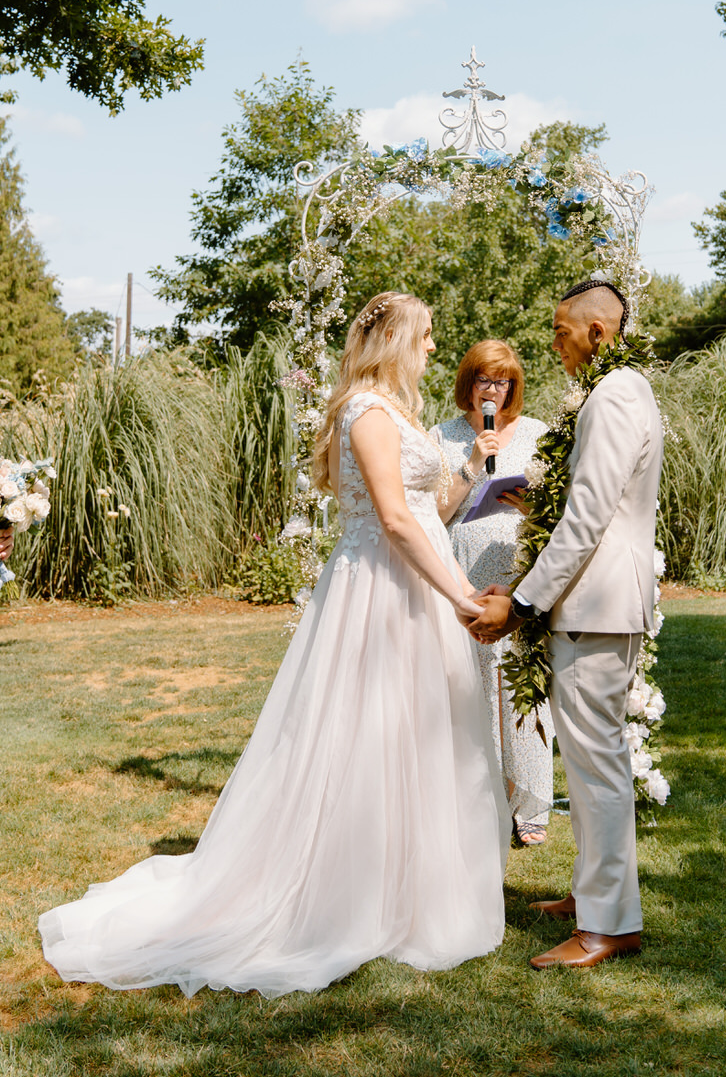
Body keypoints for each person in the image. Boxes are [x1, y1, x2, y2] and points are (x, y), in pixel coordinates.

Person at [39, 293, 510, 996]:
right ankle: (346, 893)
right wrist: (463, 595)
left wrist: (473, 464)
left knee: (418, 732)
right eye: (428, 336)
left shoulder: (398, 413)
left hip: (415, 586)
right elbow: (394, 522)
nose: (435, 349)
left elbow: (428, 510)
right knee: (367, 730)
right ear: (392, 339)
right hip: (384, 591)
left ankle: (410, 886)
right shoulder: (366, 412)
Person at [470, 279, 664, 970]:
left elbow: (589, 518)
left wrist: (521, 604)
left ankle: (610, 925)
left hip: (597, 605)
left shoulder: (614, 395)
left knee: (597, 767)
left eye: (560, 331)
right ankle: (592, 898)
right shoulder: (616, 391)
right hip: (590, 602)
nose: (553, 344)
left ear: (599, 334)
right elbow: (587, 507)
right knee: (584, 766)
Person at [431, 340, 553, 845]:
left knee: (522, 683)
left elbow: (555, 511)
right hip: (465, 573)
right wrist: (471, 466)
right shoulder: (443, 435)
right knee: (473, 684)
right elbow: (432, 514)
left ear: (514, 386)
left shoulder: (539, 434)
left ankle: (529, 806)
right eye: (485, 380)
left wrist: (528, 506)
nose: (494, 390)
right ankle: (479, 801)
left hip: (520, 571)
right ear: (469, 383)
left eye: (503, 381)